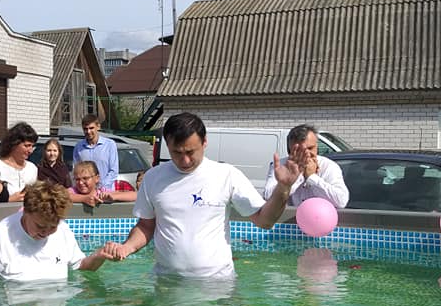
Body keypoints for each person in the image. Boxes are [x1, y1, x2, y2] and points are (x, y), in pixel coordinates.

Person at [102, 112, 309, 279]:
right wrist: (127, 247)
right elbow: (146, 226)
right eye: (177, 152)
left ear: (205, 143)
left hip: (216, 282)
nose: (184, 160)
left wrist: (283, 188)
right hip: (168, 281)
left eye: (191, 152)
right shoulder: (153, 178)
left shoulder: (225, 174)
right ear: (167, 146)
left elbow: (265, 221)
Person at [0, 181, 113, 282]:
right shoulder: (1, 236)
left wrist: (99, 256)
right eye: (40, 226)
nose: (46, 232)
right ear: (26, 212)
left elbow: (80, 266)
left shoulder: (62, 229)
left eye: (52, 226)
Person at [263, 124, 349, 209]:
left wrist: (311, 177)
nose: (307, 154)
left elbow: (341, 201)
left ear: (317, 146)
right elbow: (267, 196)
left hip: (320, 220)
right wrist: (295, 177)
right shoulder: (281, 166)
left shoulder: (329, 166)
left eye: (311, 148)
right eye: (300, 150)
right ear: (290, 151)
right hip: (291, 220)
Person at [0, 122, 39, 202]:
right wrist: (9, 200)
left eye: (32, 146)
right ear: (14, 144)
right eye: (27, 146)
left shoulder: (32, 168)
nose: (30, 150)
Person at [72, 114, 119, 190]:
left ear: (98, 127)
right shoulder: (78, 147)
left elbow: (114, 171)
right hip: (86, 193)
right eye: (85, 129)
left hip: (105, 192)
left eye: (91, 128)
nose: (88, 131)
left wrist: (102, 187)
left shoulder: (109, 145)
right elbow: (76, 171)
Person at [68, 160, 137, 206]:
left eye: (85, 178)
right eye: (77, 179)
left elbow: (135, 195)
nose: (80, 182)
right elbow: (64, 196)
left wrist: (114, 197)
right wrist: (84, 199)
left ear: (97, 178)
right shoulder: (73, 191)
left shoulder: (101, 193)